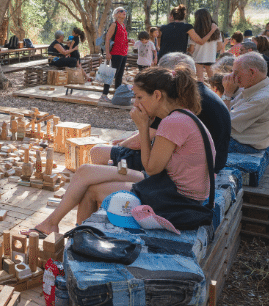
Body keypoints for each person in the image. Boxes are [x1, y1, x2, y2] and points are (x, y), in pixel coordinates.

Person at [31, 66, 213, 236]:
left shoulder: (173, 122)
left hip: (177, 200)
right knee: (85, 171)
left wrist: (142, 127)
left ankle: (81, 241)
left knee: (91, 191)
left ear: (157, 95)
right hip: (165, 185)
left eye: (140, 97)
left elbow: (151, 169)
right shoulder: (180, 116)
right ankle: (51, 223)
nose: (136, 103)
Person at [92, 53, 230, 175]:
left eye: (139, 97)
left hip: (196, 171)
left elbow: (146, 157)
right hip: (212, 163)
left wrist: (122, 144)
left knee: (97, 152)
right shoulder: (195, 92)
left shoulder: (172, 102)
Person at [221, 52, 269, 152]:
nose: (233, 76)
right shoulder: (254, 88)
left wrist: (227, 93)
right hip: (240, 140)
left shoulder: (264, 97)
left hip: (244, 144)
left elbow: (223, 122)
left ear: (252, 72)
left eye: (236, 73)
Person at [101, 7, 132, 102]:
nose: (124, 12)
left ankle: (117, 95)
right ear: (116, 14)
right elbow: (107, 38)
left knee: (119, 75)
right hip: (115, 53)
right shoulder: (114, 25)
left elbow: (122, 39)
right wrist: (107, 53)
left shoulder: (123, 26)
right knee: (111, 75)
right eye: (122, 11)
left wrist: (130, 40)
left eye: (125, 11)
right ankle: (104, 95)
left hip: (123, 53)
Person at [188, 9, 223, 81]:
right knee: (213, 80)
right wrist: (212, 51)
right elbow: (220, 46)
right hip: (211, 58)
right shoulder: (216, 30)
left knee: (200, 80)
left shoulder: (194, 31)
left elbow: (191, 49)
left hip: (197, 58)